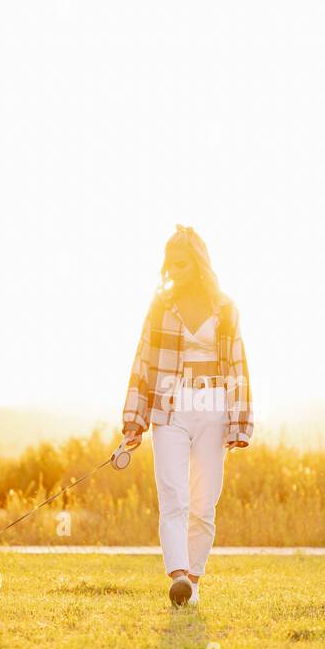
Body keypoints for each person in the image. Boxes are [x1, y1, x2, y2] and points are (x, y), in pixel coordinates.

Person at [120, 225, 253, 607]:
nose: (174, 271)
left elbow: (238, 366)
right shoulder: (159, 306)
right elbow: (142, 363)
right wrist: (134, 420)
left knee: (204, 503)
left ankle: (192, 581)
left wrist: (240, 421)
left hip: (214, 407)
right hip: (170, 406)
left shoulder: (226, 307)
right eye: (169, 264)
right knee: (173, 497)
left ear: (197, 264)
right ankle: (177, 576)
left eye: (181, 264)